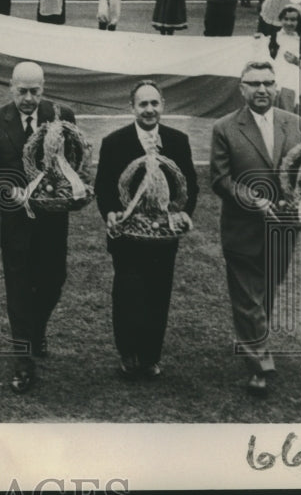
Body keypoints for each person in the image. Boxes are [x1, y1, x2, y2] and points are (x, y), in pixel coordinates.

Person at [0, 61, 77, 393]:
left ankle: (35, 331)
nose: (29, 98)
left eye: (35, 91)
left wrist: (67, 186)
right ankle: (23, 360)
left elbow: (75, 161)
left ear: (43, 88)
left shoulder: (62, 117)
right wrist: (7, 190)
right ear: (10, 87)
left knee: (52, 281)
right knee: (18, 288)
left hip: (52, 219)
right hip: (14, 221)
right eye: (22, 91)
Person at [210, 61, 301, 396]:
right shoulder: (225, 128)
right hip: (243, 229)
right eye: (253, 84)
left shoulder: (298, 125)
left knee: (265, 294)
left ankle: (251, 339)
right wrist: (253, 200)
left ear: (276, 86)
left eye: (268, 82)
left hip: (283, 230)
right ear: (242, 89)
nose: (262, 90)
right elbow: (221, 179)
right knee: (248, 298)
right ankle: (259, 366)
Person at [93, 80, 198, 380]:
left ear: (162, 104)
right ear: (132, 108)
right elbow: (104, 187)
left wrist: (182, 214)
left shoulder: (177, 141)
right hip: (128, 235)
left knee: (158, 294)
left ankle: (151, 356)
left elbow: (189, 184)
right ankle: (128, 353)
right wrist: (112, 212)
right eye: (143, 104)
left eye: (154, 103)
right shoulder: (115, 142)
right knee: (127, 293)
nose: (149, 110)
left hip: (163, 237)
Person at [264, 6, 301, 132]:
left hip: (297, 84)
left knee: (298, 118)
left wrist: (298, 62)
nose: (289, 23)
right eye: (286, 19)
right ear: (281, 20)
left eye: (293, 20)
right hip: (277, 81)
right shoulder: (273, 37)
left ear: (299, 21)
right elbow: (262, 57)